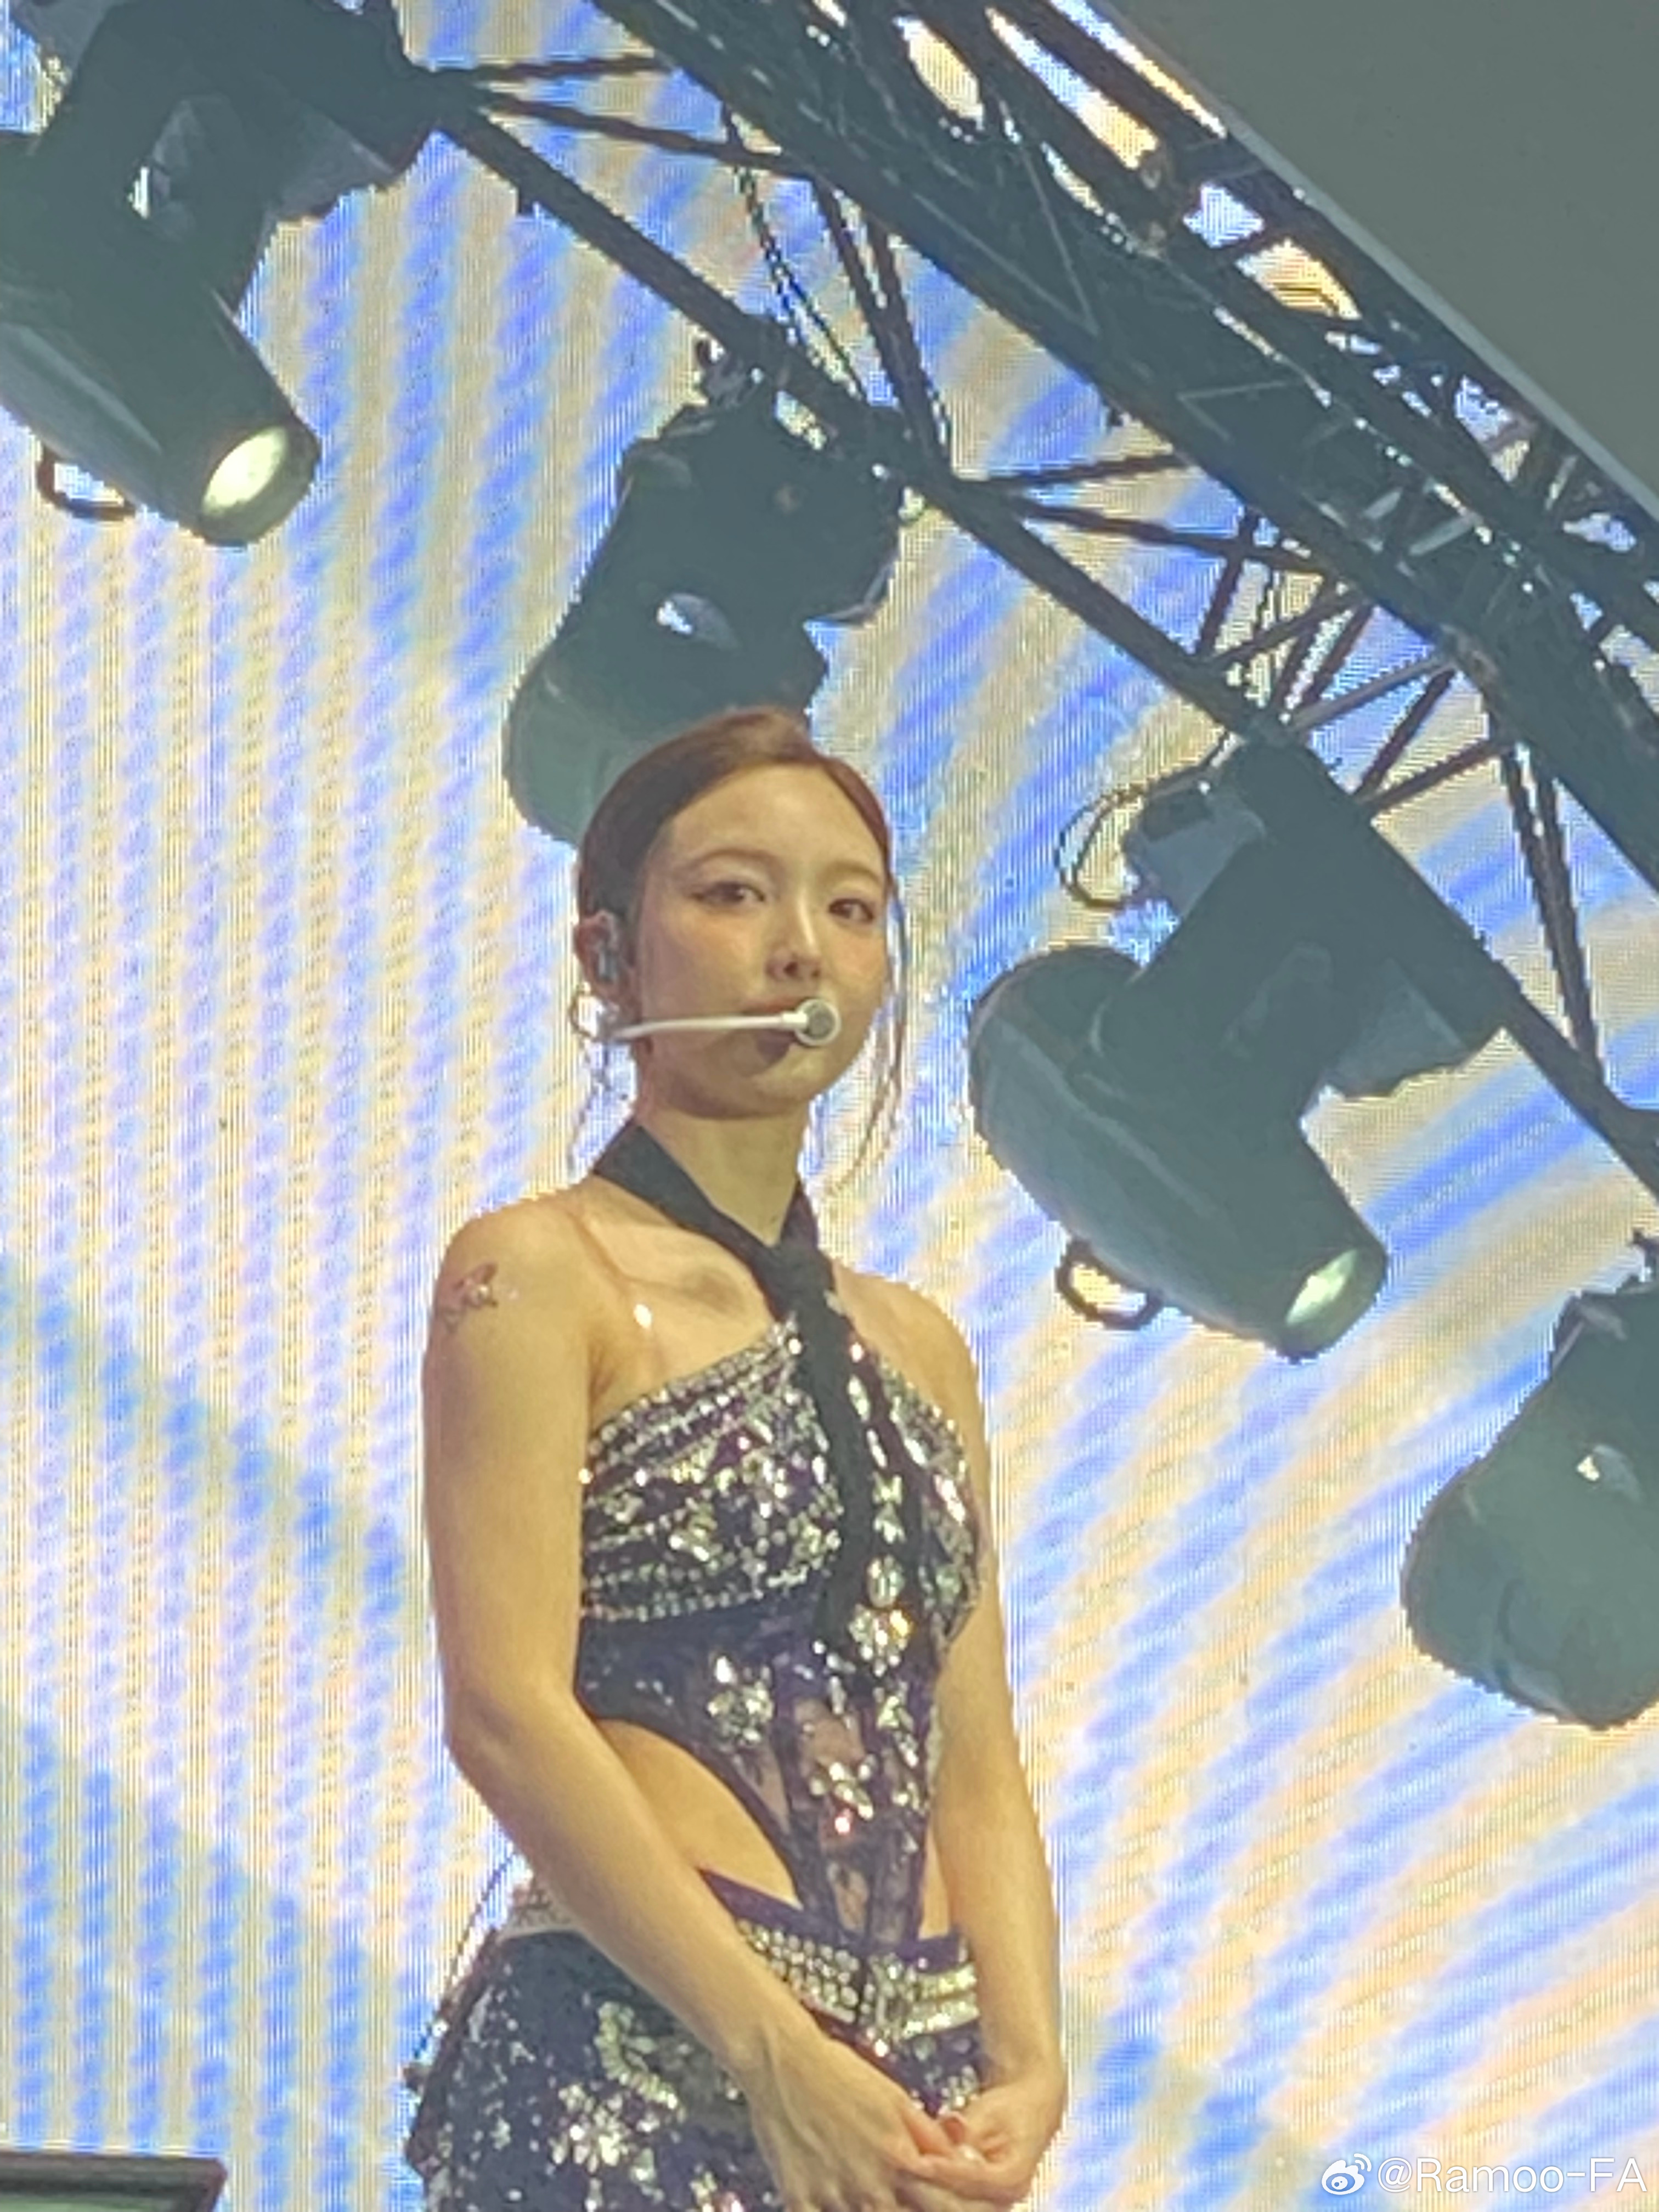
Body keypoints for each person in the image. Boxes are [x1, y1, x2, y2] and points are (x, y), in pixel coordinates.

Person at [404, 707, 1065, 2210]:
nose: (799, 951)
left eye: (851, 909)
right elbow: (506, 1711)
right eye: (732, 894)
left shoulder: (920, 1346)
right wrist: (775, 2054)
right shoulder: (533, 1274)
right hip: (633, 2066)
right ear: (608, 958)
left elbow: (973, 1754)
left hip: (911, 2102)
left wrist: (1030, 2062)